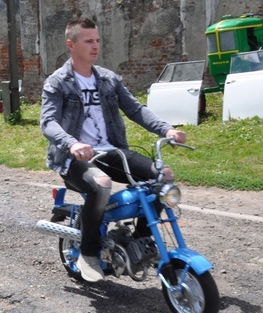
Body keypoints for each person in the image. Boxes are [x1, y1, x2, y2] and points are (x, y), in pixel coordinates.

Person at [40, 17, 186, 282]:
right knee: (102, 183)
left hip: (112, 152)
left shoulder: (108, 79)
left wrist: (167, 130)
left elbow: (136, 109)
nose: (95, 46)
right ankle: (88, 253)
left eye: (97, 40)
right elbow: (48, 122)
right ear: (71, 45)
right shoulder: (57, 82)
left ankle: (142, 239)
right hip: (74, 158)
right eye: (88, 41)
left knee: (163, 175)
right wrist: (72, 143)